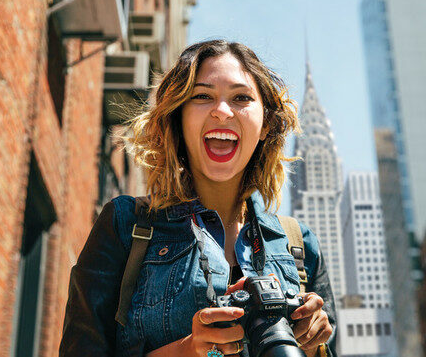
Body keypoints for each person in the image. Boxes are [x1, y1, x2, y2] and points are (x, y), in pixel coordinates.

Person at [60, 40, 337, 357]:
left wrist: (317, 344)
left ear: (266, 125)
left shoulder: (299, 246)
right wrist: (187, 350)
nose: (222, 111)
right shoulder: (126, 225)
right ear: (178, 118)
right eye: (203, 96)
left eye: (241, 98)